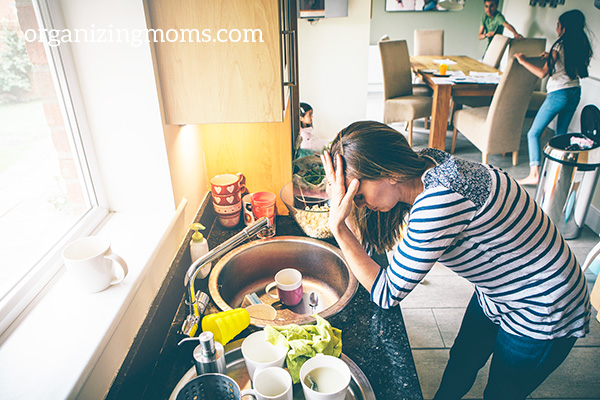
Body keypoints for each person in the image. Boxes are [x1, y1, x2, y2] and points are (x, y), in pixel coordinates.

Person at [321, 120, 590, 400]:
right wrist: (339, 201)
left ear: (390, 173)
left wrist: (338, 227)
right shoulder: (426, 162)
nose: (358, 204)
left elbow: (386, 293)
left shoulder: (439, 201)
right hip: (498, 290)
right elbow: (365, 248)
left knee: (502, 392)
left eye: (358, 195)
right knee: (462, 360)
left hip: (543, 303)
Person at [514, 9, 593, 186]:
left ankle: (534, 174)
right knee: (561, 134)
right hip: (574, 93)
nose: (556, 29)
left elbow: (543, 74)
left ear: (564, 28)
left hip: (558, 94)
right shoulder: (579, 45)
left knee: (533, 133)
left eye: (558, 25)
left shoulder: (559, 46)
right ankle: (559, 172)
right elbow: (569, 65)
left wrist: (522, 61)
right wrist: (551, 57)